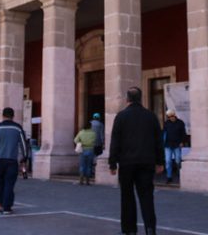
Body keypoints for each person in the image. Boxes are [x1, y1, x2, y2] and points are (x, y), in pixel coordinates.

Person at [109, 86, 164, 235]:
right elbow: (159, 141)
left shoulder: (121, 116)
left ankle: (130, 230)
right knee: (147, 197)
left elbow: (115, 141)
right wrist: (160, 162)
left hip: (126, 163)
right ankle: (150, 229)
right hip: (146, 163)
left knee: (127, 196)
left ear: (127, 99)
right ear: (141, 99)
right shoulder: (151, 116)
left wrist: (112, 163)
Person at [0, 107, 28, 215]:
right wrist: (24, 157)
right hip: (11, 160)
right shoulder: (18, 128)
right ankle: (7, 207)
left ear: (3, 115)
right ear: (13, 116)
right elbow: (23, 144)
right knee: (9, 183)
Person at [162, 109, 187, 184]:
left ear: (174, 116)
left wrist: (182, 142)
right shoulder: (166, 123)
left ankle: (179, 173)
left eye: (171, 117)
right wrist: (163, 142)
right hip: (168, 145)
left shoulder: (180, 123)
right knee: (168, 161)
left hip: (177, 144)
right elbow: (164, 133)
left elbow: (183, 133)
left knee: (178, 160)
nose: (170, 118)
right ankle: (169, 177)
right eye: (169, 117)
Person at [74, 120, 97, 185]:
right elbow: (95, 141)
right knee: (89, 166)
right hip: (90, 149)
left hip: (82, 149)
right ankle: (87, 181)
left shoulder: (81, 132)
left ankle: (81, 180)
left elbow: (75, 140)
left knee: (82, 165)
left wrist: (81, 142)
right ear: (90, 126)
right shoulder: (93, 133)